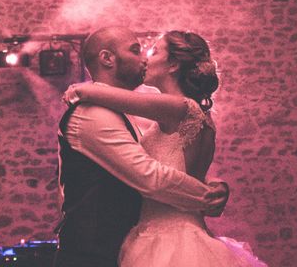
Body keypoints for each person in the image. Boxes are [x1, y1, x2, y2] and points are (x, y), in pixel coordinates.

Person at [64, 30, 268, 266]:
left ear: (172, 65)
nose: (146, 59)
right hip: (184, 232)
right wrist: (210, 186)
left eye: (154, 51)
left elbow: (153, 177)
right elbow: (180, 167)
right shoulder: (189, 115)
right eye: (140, 51)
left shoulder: (177, 107)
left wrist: (83, 89)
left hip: (167, 239)